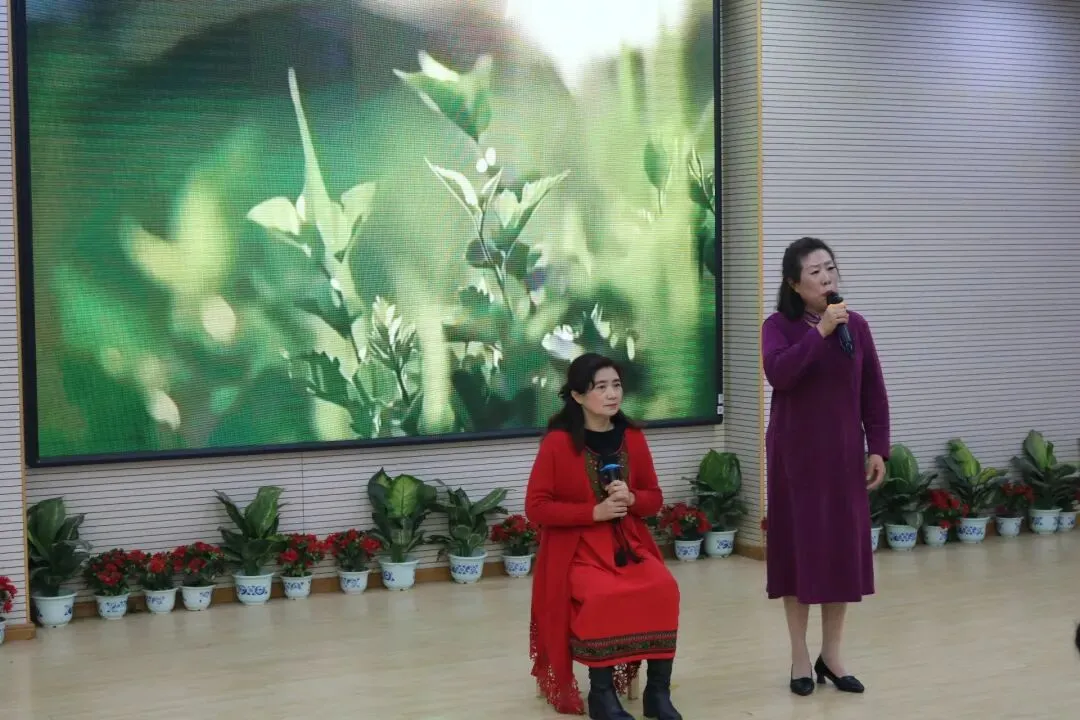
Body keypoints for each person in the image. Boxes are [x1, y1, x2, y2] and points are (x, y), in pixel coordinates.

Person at [761, 236, 890, 697]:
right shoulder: (778, 326)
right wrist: (820, 334)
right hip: (794, 460)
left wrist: (878, 448)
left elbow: (873, 392)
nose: (826, 277)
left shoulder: (857, 326)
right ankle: (799, 657)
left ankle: (831, 656)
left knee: (839, 556)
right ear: (794, 284)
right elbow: (780, 374)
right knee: (798, 555)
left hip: (842, 459)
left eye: (830, 268)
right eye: (815, 272)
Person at [526, 353, 682, 720]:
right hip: (578, 550)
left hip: (628, 544)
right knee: (601, 595)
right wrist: (592, 512)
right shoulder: (557, 443)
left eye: (616, 385)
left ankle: (658, 693)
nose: (612, 394)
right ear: (578, 396)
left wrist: (633, 498)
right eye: (601, 387)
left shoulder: (633, 438)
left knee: (664, 587)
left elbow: (654, 499)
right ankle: (602, 695)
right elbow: (536, 507)